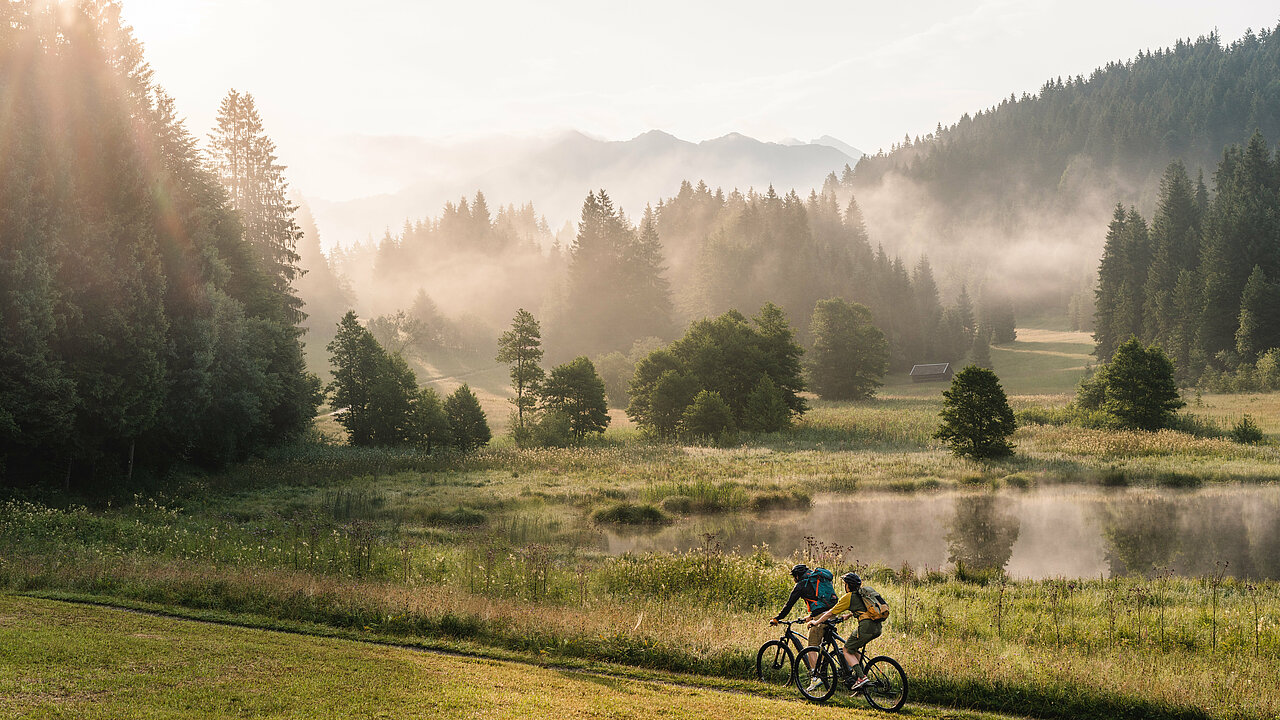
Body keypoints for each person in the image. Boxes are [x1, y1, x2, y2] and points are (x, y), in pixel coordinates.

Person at [808, 572, 886, 691]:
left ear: (848, 585)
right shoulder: (863, 593)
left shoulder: (848, 597)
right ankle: (859, 676)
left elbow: (830, 613)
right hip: (877, 627)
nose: (845, 586)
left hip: (866, 628)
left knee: (847, 650)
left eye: (845, 584)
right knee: (854, 649)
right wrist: (849, 615)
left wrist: (816, 622)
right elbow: (865, 608)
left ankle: (861, 677)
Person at [769, 564, 838, 665]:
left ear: (797, 576)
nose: (794, 579)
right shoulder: (817, 579)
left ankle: (815, 677)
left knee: (812, 647)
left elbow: (789, 605)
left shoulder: (801, 585)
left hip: (821, 617)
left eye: (793, 576)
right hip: (832, 614)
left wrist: (777, 618)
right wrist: (811, 617)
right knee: (822, 646)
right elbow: (820, 602)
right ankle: (824, 673)